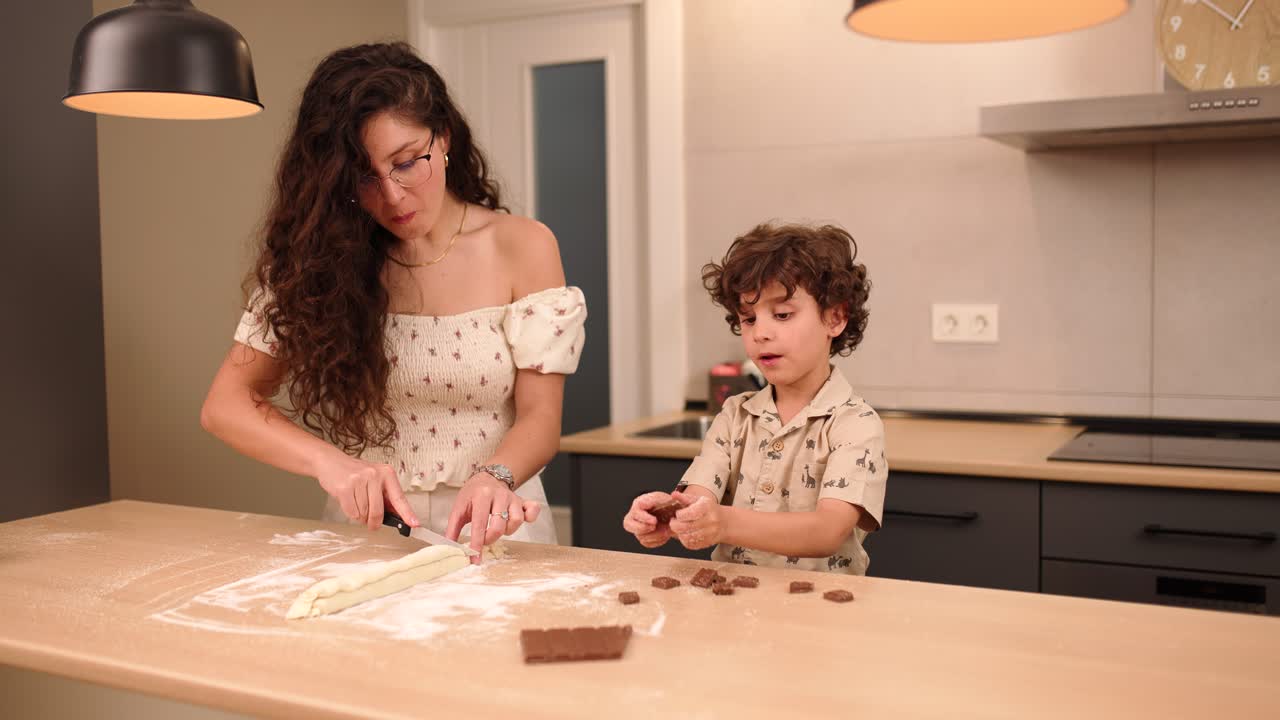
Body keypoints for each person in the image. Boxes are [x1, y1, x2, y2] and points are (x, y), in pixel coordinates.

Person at [201, 42, 585, 559]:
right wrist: (331, 463)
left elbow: (540, 419)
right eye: (363, 177)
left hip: (496, 526)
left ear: (443, 138)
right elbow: (226, 405)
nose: (393, 196)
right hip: (367, 535)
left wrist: (495, 475)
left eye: (406, 163)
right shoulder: (317, 261)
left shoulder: (523, 246)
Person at [622, 222, 885, 574]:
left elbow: (827, 532)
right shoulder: (735, 415)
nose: (760, 333)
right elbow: (701, 498)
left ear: (835, 318)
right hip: (735, 603)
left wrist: (724, 523)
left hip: (823, 613)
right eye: (748, 318)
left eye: (782, 315)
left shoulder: (854, 424)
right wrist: (670, 514)